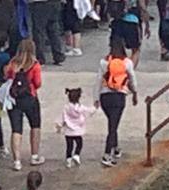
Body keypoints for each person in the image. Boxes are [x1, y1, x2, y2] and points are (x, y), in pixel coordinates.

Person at [96, 38, 138, 168]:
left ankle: (116, 147)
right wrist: (135, 93)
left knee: (112, 123)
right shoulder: (127, 63)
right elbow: (132, 79)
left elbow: (98, 80)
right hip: (119, 97)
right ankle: (107, 154)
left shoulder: (104, 62)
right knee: (113, 127)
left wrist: (96, 98)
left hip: (105, 97)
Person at [4, 38, 45, 171]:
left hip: (14, 99)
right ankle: (34, 156)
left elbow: (6, 76)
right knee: (35, 125)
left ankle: (17, 161)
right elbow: (38, 83)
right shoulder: (34, 65)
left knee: (16, 129)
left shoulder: (13, 63)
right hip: (30, 97)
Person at [55, 87, 96, 168]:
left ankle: (68, 160)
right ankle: (76, 155)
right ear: (79, 97)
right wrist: (95, 107)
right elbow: (89, 111)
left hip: (68, 132)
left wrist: (59, 127)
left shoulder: (66, 107)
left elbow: (62, 118)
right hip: (78, 131)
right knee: (79, 144)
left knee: (69, 147)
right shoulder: (81, 108)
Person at [110, 0, 148, 67]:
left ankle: (119, 69)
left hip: (117, 21)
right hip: (132, 21)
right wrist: (147, 24)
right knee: (136, 50)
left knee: (118, 50)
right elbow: (142, 6)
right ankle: (129, 70)